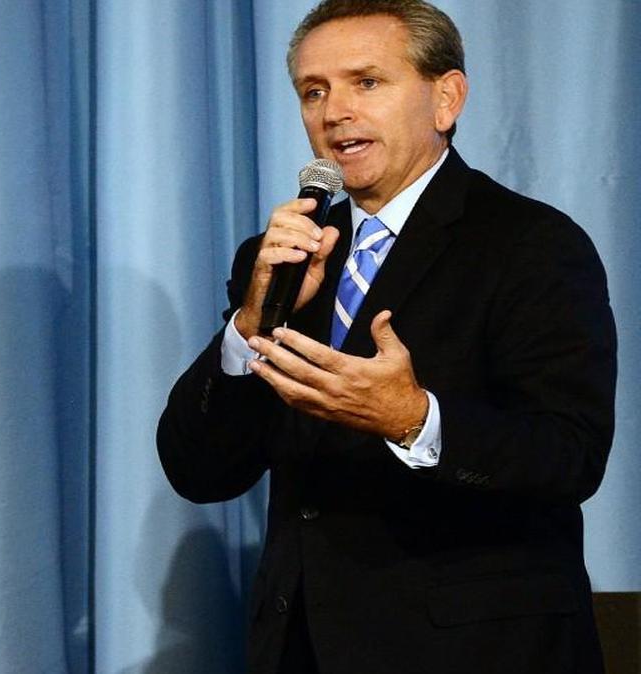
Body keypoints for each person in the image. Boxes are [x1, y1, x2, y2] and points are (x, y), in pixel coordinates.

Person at [156, 1, 616, 672]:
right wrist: (247, 327)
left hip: (473, 653)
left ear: (446, 98)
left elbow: (569, 457)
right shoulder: (282, 257)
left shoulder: (531, 244)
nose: (334, 111)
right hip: (302, 651)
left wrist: (413, 419)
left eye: (366, 82)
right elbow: (198, 470)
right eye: (314, 91)